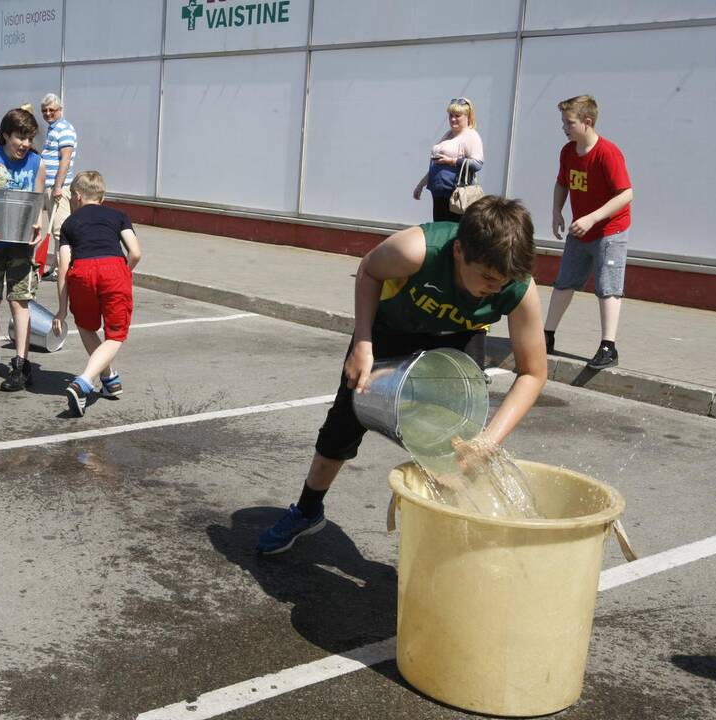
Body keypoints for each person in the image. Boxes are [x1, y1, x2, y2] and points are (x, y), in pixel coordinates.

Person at [255, 195, 547, 555]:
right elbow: (369, 270)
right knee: (342, 425)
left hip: (457, 338)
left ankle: (443, 545)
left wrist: (488, 441)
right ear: (459, 251)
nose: (496, 288)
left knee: (455, 445)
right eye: (488, 277)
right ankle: (308, 510)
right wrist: (363, 341)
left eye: (505, 282)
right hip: (390, 330)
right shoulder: (416, 250)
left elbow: (533, 373)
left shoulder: (517, 289)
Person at [543, 95, 633, 371]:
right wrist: (557, 212)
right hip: (580, 230)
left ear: (587, 122)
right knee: (564, 282)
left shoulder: (608, 153)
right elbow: (562, 183)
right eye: (563, 122)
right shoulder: (568, 151)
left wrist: (593, 218)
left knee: (608, 288)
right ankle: (546, 336)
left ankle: (609, 347)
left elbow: (626, 193)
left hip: (609, 231)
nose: (564, 127)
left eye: (568, 122)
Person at [0, 107, 48, 390]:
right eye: (20, 138)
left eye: (29, 139)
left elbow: (38, 204)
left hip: (21, 245)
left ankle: (21, 364)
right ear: (5, 135)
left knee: (20, 301)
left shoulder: (37, 163)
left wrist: (38, 225)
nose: (25, 145)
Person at [52, 171, 142, 416]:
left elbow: (63, 267)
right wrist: (123, 272)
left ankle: (110, 380)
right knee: (115, 335)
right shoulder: (118, 215)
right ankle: (84, 382)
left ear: (78, 196)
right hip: (114, 268)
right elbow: (135, 252)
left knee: (85, 326)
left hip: (81, 272)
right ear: (102, 198)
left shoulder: (69, 223)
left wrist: (61, 309)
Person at [413, 97, 484, 222]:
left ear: (468, 116)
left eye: (457, 115)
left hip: (456, 195)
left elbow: (477, 164)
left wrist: (451, 161)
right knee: (441, 230)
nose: (453, 119)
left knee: (452, 232)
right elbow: (437, 165)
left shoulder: (471, 135)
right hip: (439, 193)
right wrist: (421, 184)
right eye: (451, 115)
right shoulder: (448, 134)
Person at [40, 94, 77, 276]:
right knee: (55, 228)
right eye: (44, 110)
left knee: (59, 230)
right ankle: (56, 267)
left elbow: (66, 159)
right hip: (49, 186)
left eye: (51, 110)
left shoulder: (64, 129)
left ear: (60, 110)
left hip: (57, 187)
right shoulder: (52, 128)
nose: (48, 113)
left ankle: (63, 269)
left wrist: (57, 186)